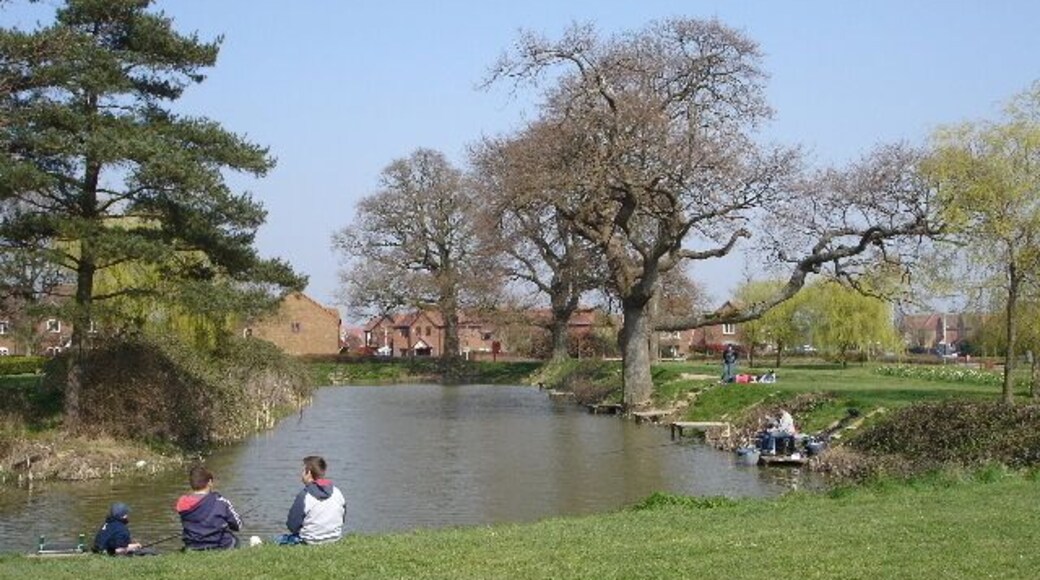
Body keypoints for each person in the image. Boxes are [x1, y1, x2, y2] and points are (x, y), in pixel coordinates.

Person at [277, 455, 347, 545]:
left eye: (302, 471)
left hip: (309, 541)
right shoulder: (337, 492)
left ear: (308, 473)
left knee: (276, 539)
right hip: (335, 538)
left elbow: (292, 525)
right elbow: (343, 517)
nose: (301, 474)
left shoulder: (305, 495)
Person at [175, 465, 242, 550]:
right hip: (219, 546)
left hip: (192, 547)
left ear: (191, 483)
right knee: (236, 540)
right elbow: (238, 526)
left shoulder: (182, 504)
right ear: (210, 482)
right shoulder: (221, 502)